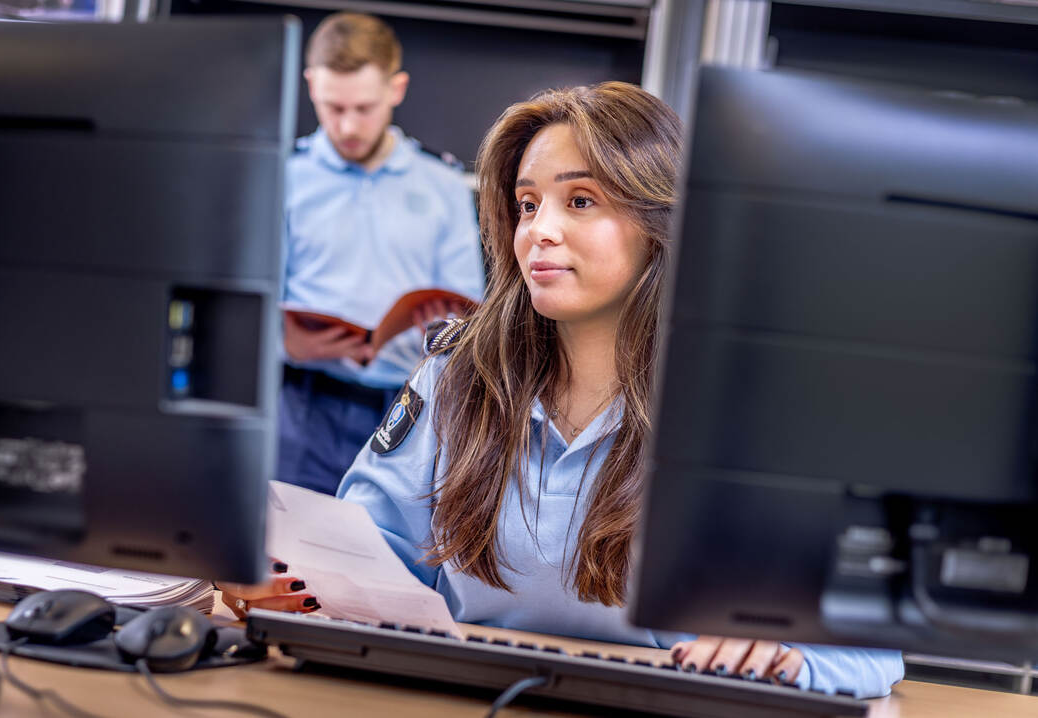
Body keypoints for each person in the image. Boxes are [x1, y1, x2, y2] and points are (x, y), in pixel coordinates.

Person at [231, 81, 904, 697]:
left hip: (663, 711)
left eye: (580, 201)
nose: (538, 232)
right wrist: (292, 584)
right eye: (527, 205)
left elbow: (871, 644)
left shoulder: (750, 405)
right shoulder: (455, 372)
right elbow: (367, 555)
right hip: (459, 698)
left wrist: (790, 659)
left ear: (660, 222)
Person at [280, 12, 485, 495]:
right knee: (288, 556)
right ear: (311, 86)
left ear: (396, 89)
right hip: (303, 404)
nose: (348, 125)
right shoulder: (283, 177)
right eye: (333, 107)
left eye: (364, 108)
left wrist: (443, 330)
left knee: (386, 557)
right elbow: (250, 296)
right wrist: (281, 343)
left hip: (410, 408)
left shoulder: (444, 184)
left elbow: (469, 305)